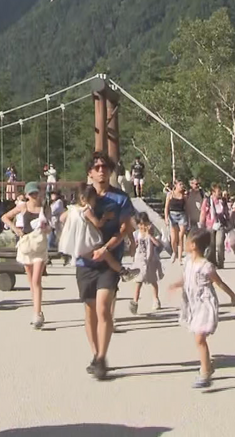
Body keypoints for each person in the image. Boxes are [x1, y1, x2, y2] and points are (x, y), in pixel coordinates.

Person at [77, 152, 136, 380]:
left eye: (105, 167)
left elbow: (125, 228)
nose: (101, 170)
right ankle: (94, 353)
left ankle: (102, 357)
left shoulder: (121, 199)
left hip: (109, 261)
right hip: (84, 261)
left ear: (110, 171)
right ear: (90, 173)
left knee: (103, 307)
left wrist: (107, 248)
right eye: (97, 167)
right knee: (90, 309)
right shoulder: (82, 197)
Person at [170, 229, 235, 389]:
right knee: (198, 336)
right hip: (193, 304)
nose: (185, 243)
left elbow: (219, 283)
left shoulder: (206, 266)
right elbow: (186, 278)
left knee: (199, 338)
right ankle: (207, 365)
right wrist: (176, 284)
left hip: (205, 304)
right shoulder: (188, 262)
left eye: (187, 241)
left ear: (193, 245)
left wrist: (232, 296)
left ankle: (205, 372)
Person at [3, 182, 51, 329]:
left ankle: (38, 313)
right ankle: (36, 310)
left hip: (40, 247)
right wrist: (16, 230)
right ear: (27, 195)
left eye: (36, 193)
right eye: (31, 194)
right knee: (31, 281)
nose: (34, 196)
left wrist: (45, 228)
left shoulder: (45, 208)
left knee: (36, 280)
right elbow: (5, 217)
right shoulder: (23, 207)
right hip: (26, 246)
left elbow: (50, 229)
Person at [129, 212, 164, 314]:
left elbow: (158, 245)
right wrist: (133, 245)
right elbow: (132, 247)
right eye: (140, 224)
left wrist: (150, 236)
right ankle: (135, 302)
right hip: (140, 260)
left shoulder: (152, 232)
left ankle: (156, 299)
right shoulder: (137, 234)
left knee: (153, 281)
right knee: (138, 280)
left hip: (151, 260)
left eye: (144, 224)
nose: (142, 226)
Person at [201, 183, 230, 268]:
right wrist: (201, 224)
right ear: (213, 192)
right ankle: (212, 262)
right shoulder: (207, 201)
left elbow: (226, 212)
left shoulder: (222, 201)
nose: (219, 193)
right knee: (211, 245)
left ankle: (221, 262)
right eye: (218, 191)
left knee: (220, 243)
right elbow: (203, 212)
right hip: (210, 225)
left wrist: (228, 221)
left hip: (220, 224)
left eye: (220, 191)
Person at [164, 180, 188, 263]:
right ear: (176, 185)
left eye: (182, 184)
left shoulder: (184, 196)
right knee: (174, 238)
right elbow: (166, 207)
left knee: (181, 237)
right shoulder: (170, 195)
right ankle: (174, 252)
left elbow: (187, 208)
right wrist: (166, 218)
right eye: (180, 184)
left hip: (182, 215)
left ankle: (180, 258)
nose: (182, 186)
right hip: (172, 216)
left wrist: (188, 218)